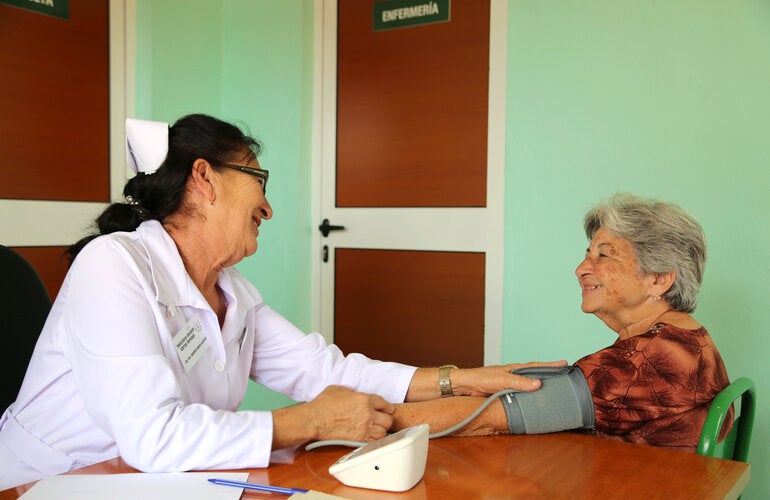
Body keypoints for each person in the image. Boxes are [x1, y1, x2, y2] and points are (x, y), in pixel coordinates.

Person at [0, 114, 562, 490]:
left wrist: (462, 380)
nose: (269, 208)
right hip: (49, 484)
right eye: (259, 180)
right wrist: (307, 421)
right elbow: (152, 435)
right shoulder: (113, 265)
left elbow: (327, 371)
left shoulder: (233, 295)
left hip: (157, 483)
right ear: (204, 179)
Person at [389, 193, 731, 453]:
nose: (582, 269)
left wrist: (376, 417)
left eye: (604, 255)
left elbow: (489, 417)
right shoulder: (687, 337)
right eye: (587, 254)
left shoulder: (647, 361)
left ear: (658, 280)